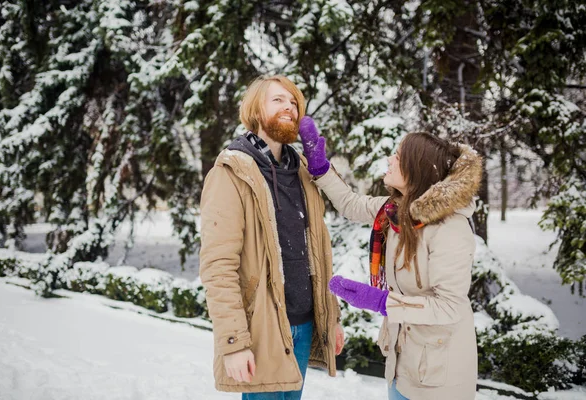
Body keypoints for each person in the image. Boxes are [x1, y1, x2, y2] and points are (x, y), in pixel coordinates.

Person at [299, 117, 482, 400]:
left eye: (397, 156)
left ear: (416, 169)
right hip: (403, 362)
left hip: (438, 377)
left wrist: (382, 301)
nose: (390, 159)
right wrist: (320, 168)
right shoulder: (395, 212)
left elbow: (449, 306)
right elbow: (351, 204)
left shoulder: (450, 228)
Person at [199, 76, 344, 400]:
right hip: (262, 326)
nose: (289, 108)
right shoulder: (231, 172)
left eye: (294, 102)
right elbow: (218, 266)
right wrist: (234, 341)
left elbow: (318, 253)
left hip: (304, 326)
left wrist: (330, 317)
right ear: (255, 109)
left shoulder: (304, 172)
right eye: (277, 100)